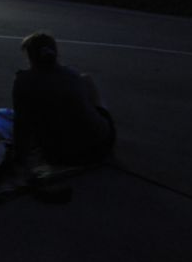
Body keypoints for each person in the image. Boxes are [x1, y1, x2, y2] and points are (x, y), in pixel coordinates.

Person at [11, 32, 115, 165]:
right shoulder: (72, 75)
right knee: (87, 80)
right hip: (100, 145)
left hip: (61, 154)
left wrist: (19, 157)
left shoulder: (23, 81)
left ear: (30, 56)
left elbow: (20, 124)